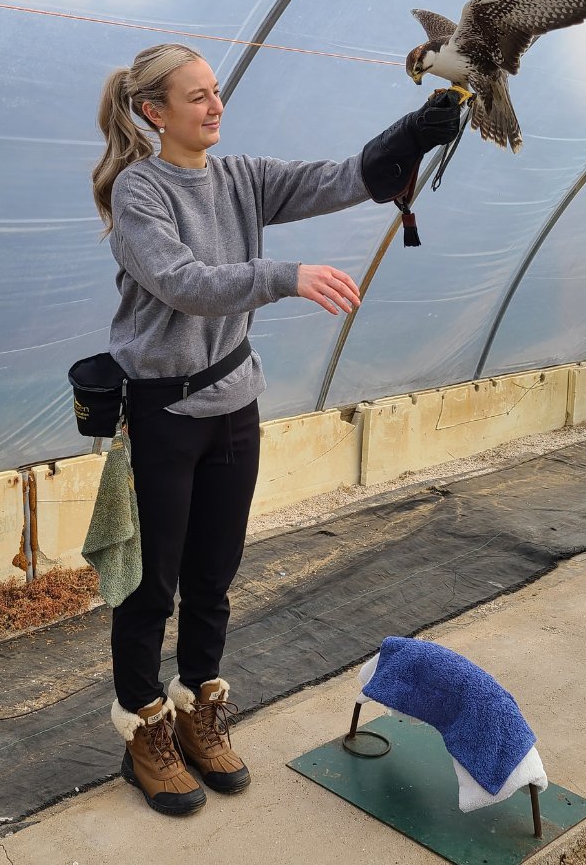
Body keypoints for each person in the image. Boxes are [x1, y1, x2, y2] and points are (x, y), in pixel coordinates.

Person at [92, 42, 462, 816]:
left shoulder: (241, 176)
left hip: (234, 405)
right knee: (150, 586)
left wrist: (412, 134)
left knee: (214, 579)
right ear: (154, 112)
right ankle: (145, 733)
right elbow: (185, 285)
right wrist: (285, 275)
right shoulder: (139, 192)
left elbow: (334, 180)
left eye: (217, 91)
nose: (215, 105)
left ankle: (198, 715)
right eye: (197, 97)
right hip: (162, 414)